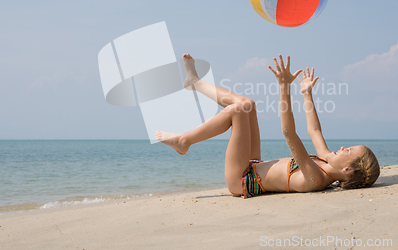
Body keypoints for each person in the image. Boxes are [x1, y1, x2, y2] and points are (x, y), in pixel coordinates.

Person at [156, 54, 380, 198]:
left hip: (242, 180)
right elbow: (314, 131)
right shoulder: (324, 160)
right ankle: (194, 83)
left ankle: (184, 141)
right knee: (248, 105)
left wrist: (284, 87)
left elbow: (288, 132)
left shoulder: (316, 178)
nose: (342, 148)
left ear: (347, 170)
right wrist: (306, 93)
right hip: (253, 164)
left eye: (348, 151)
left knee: (237, 110)